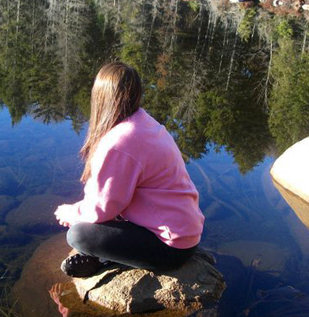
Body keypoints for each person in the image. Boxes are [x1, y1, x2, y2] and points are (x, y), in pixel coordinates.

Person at [54, 62, 206, 278]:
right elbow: (106, 194)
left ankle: (100, 257)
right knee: (95, 224)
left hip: (170, 247)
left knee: (78, 235)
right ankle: (101, 256)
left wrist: (71, 213)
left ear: (100, 97)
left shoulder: (120, 142)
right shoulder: (144, 124)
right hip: (184, 233)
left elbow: (103, 208)